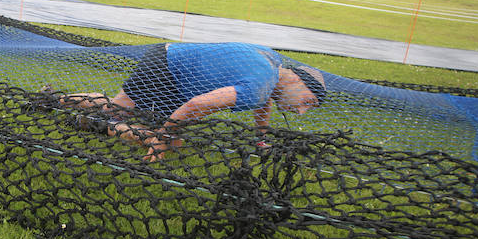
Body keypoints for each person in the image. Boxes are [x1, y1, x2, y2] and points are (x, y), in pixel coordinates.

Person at [48, 42, 326, 161]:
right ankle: (59, 102)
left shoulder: (272, 65)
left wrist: (261, 138)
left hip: (181, 82)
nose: (300, 111)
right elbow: (196, 106)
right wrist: (160, 136)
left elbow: (263, 103)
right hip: (165, 65)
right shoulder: (259, 85)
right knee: (118, 111)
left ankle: (98, 120)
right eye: (307, 102)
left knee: (175, 143)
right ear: (298, 82)